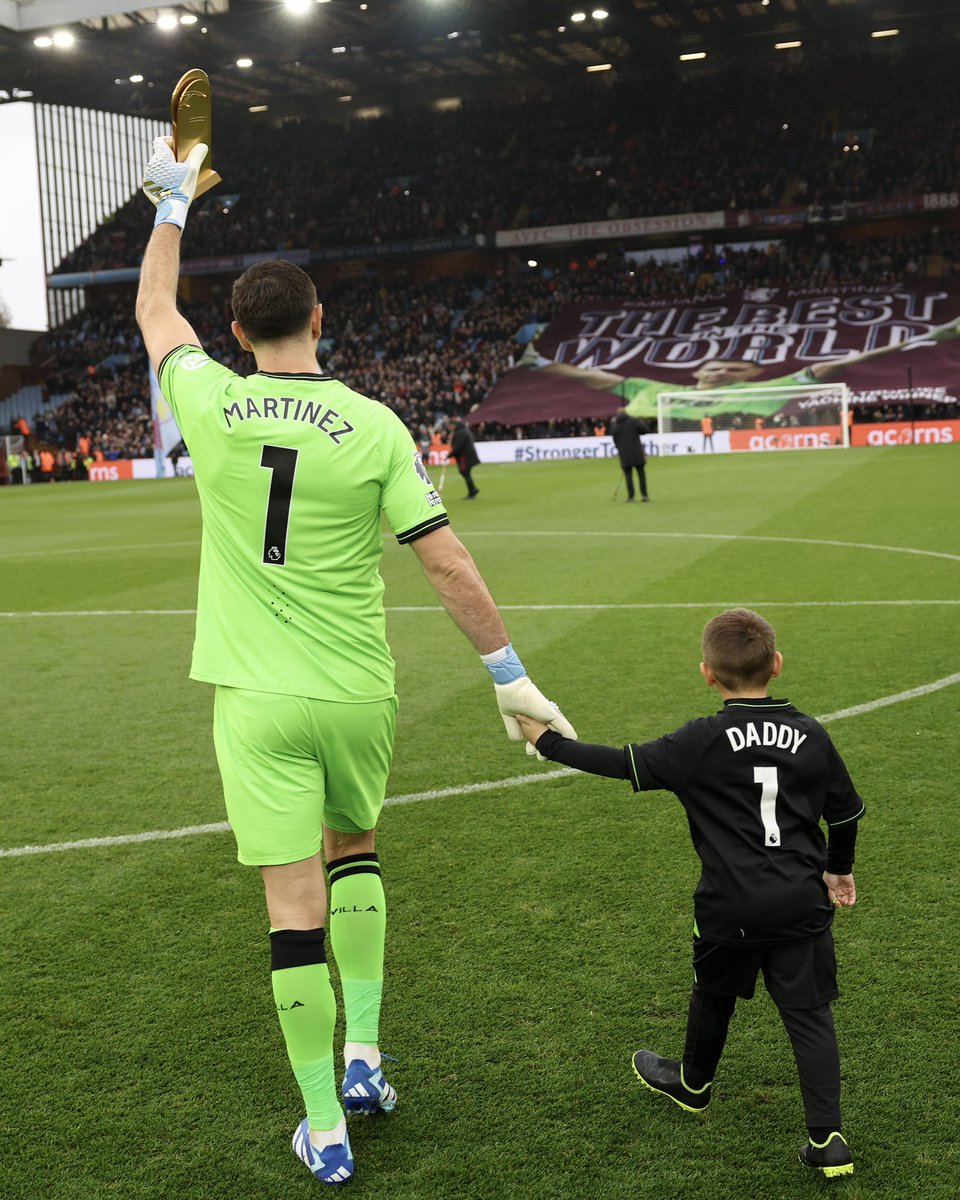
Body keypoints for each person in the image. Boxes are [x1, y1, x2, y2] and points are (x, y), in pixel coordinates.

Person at [135, 137, 576, 1188]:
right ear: (319, 321)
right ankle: (369, 1057)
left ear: (238, 331)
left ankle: (325, 1125)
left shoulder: (207, 396)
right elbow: (449, 562)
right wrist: (509, 673)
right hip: (356, 692)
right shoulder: (376, 426)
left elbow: (156, 314)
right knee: (359, 856)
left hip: (256, 700)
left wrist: (168, 204)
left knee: (293, 909)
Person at [516, 608, 864, 1180]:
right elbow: (847, 812)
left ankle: (694, 1084)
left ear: (708, 673)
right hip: (801, 901)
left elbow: (619, 762)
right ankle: (828, 1141)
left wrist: (548, 742)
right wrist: (838, 870)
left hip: (729, 906)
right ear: (776, 664)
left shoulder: (698, 741)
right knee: (809, 1017)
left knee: (713, 994)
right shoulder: (810, 734)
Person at [609, 407, 649, 502]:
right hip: (637, 452)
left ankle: (631, 496)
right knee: (641, 474)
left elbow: (615, 440)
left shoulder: (615, 425)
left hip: (624, 454)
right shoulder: (633, 421)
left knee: (628, 475)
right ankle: (644, 495)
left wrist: (620, 449)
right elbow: (645, 430)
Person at [448, 416, 480, 499]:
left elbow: (458, 447)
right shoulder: (464, 430)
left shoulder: (460, 433)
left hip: (464, 458)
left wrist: (450, 455)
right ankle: (473, 489)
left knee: (465, 473)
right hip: (467, 456)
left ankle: (472, 490)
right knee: (466, 473)